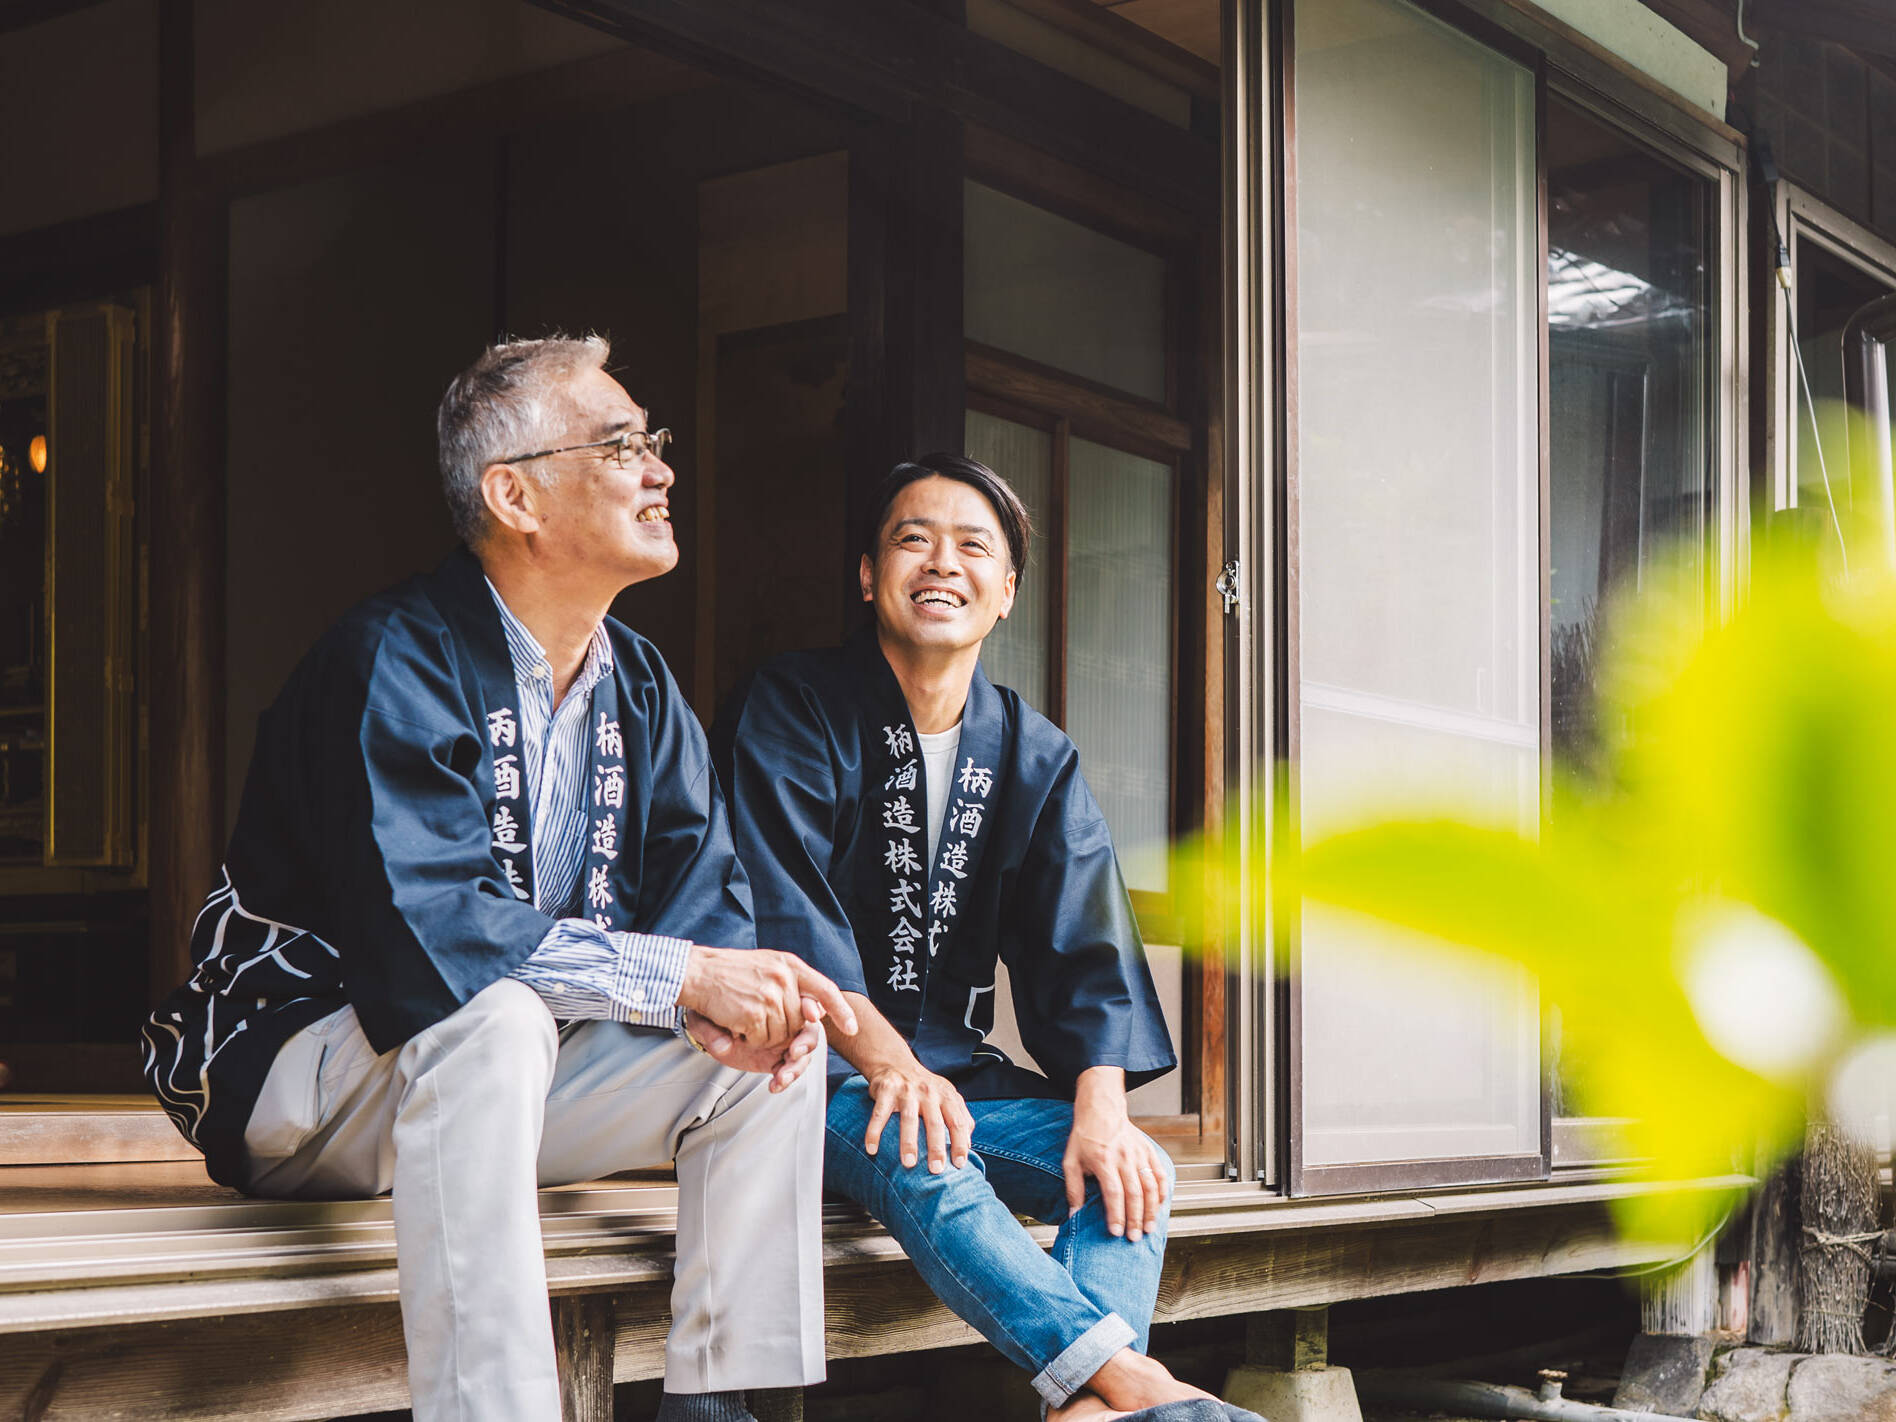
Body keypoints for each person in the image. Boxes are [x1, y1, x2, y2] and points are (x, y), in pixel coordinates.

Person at [142, 335, 854, 1422]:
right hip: (308, 1081)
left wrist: (727, 997)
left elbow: (704, 909)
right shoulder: (392, 655)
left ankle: (719, 1408)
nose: (661, 470)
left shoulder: (642, 684)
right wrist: (675, 977)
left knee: (773, 1052)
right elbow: (428, 940)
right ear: (514, 494)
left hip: (489, 1095)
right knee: (499, 1012)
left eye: (653, 443)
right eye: (623, 445)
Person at [714, 455, 1260, 1422]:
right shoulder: (794, 706)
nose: (941, 564)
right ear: (868, 574)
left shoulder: (1032, 751)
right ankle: (1126, 1380)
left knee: (1130, 1165)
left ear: (1006, 592)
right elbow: (777, 909)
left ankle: (1088, 1408)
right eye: (912, 539)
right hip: (799, 1075)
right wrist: (887, 1063)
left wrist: (1102, 1112)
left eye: (974, 546)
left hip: (953, 1071)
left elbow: (1086, 941)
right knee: (922, 1145)